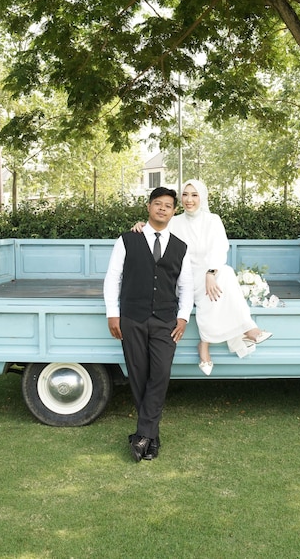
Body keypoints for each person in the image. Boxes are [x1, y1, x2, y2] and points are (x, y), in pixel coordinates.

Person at [133, 179, 271, 376]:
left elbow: (220, 247)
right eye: (185, 195)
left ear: (202, 197)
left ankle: (229, 335)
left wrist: (211, 272)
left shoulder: (212, 220)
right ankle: (217, 340)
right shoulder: (175, 221)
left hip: (209, 272)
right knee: (201, 285)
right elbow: (154, 230)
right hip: (184, 273)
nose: (189, 200)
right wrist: (140, 226)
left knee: (227, 273)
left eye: (194, 195)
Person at [104, 187, 193, 462]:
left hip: (166, 320)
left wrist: (183, 316)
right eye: (158, 204)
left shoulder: (181, 247)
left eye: (168, 205)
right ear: (149, 207)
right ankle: (151, 439)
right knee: (138, 375)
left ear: (174, 211)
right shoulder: (128, 239)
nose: (163, 209)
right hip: (132, 317)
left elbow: (186, 286)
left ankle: (142, 434)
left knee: (161, 374)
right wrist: (112, 313)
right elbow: (113, 278)